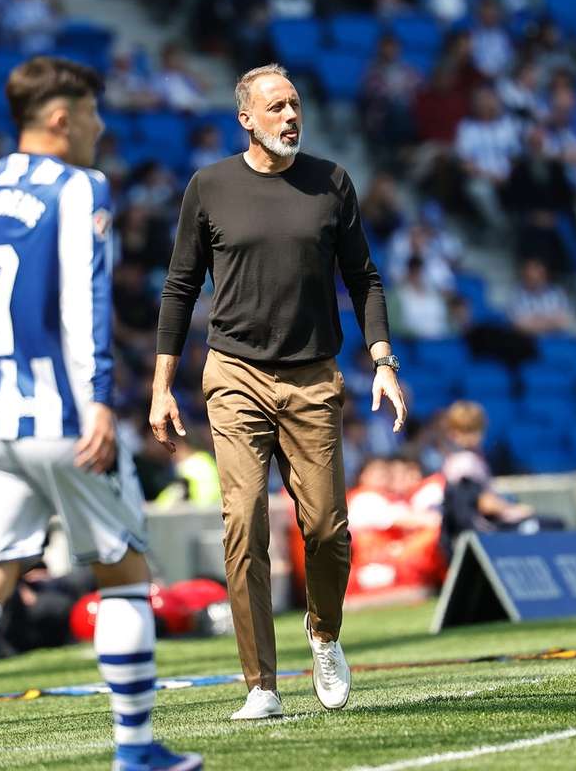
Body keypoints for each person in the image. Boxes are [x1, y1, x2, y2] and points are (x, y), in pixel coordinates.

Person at [0, 57, 200, 771]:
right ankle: (136, 749)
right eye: (89, 112)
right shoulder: (80, 188)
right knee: (123, 570)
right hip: (65, 417)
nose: (98, 125)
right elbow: (86, 303)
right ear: (59, 118)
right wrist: (99, 402)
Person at [150, 63, 406, 720]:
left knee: (325, 529)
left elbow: (365, 278)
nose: (291, 116)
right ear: (246, 118)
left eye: (296, 104)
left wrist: (383, 360)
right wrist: (161, 384)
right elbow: (180, 286)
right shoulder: (208, 187)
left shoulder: (332, 182)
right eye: (277, 107)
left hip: (313, 374)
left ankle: (323, 633)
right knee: (243, 522)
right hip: (232, 373)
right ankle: (260, 683)